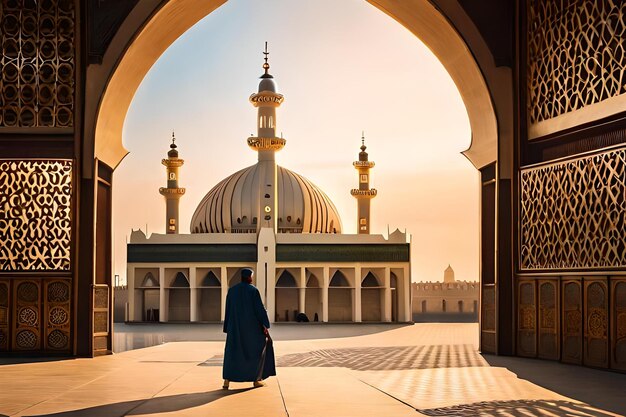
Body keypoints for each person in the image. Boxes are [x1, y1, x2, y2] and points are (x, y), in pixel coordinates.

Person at [222, 268, 276, 389]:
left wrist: (227, 328)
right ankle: (256, 379)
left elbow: (228, 310)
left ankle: (227, 380)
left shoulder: (232, 291)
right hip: (252, 329)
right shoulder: (253, 291)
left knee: (233, 352)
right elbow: (259, 309)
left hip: (235, 328)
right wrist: (265, 325)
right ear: (250, 277)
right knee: (257, 351)